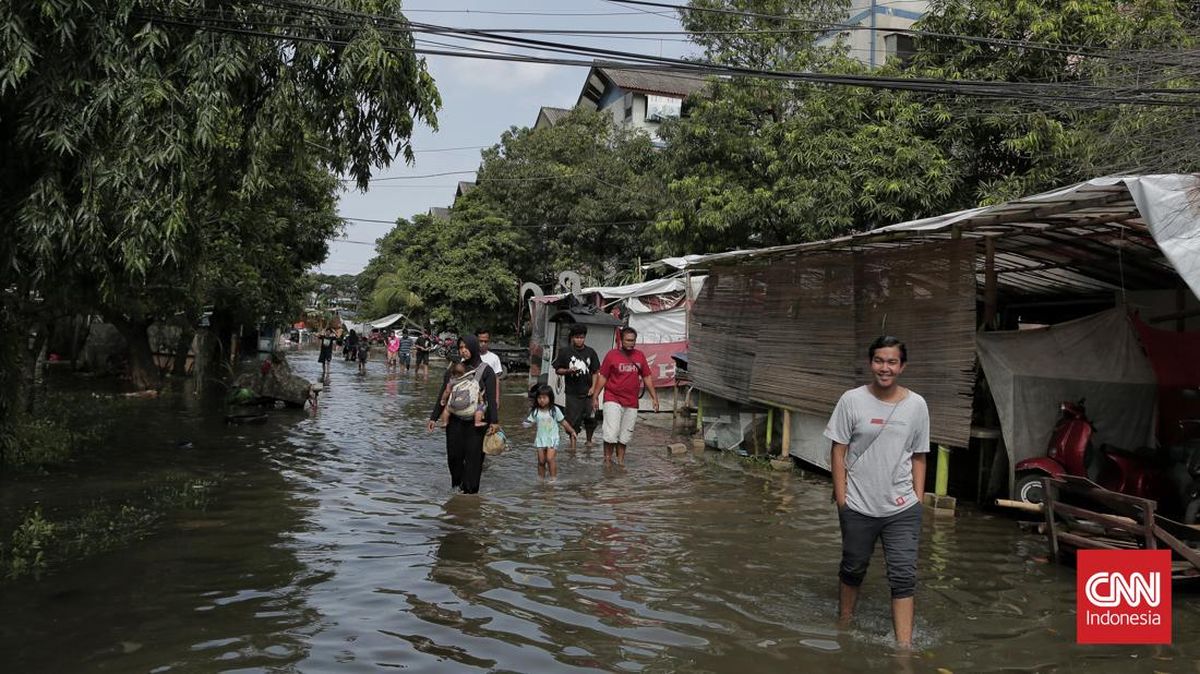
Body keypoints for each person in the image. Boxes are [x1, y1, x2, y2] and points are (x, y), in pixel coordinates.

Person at [825, 335, 930, 650]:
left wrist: (918, 500)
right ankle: (844, 625)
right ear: (871, 363)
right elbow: (838, 450)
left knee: (903, 577)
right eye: (879, 360)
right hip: (857, 505)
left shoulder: (917, 405)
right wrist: (843, 502)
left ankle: (904, 648)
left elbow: (920, 456)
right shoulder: (851, 400)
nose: (885, 368)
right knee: (853, 568)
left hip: (902, 508)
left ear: (902, 366)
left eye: (892, 362)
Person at [427, 336, 500, 494]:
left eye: (466, 347)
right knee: (454, 458)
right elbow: (443, 394)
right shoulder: (454, 369)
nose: (463, 351)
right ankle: (457, 490)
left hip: (476, 424)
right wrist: (434, 417)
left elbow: (492, 398)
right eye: (460, 348)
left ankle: (470, 494)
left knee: (474, 460)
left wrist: (494, 421)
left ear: (473, 348)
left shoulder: (486, 370)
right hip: (454, 422)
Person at [594, 326, 660, 465]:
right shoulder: (611, 355)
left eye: (633, 340)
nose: (630, 343)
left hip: (631, 401)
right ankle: (607, 461)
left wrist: (654, 397)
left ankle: (620, 462)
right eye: (628, 340)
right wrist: (595, 396)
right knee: (611, 433)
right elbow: (603, 377)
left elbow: (647, 377)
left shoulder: (640, 356)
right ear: (621, 341)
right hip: (613, 398)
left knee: (625, 436)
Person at [552, 324, 600, 448]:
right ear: (572, 338)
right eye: (577, 337)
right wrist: (568, 371)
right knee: (572, 420)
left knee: (591, 418)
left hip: (588, 392)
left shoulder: (591, 352)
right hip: (572, 392)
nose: (579, 340)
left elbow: (595, 372)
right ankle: (572, 445)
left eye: (582, 337)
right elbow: (557, 369)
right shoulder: (565, 352)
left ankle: (589, 441)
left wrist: (593, 389)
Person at [524, 384, 576, 479]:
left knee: (550, 458)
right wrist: (525, 425)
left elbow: (563, 422)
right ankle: (541, 479)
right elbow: (529, 421)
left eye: (544, 397)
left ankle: (553, 479)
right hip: (540, 439)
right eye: (539, 398)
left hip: (553, 438)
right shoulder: (535, 411)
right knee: (541, 461)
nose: (541, 400)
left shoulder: (554, 410)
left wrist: (572, 431)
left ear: (550, 398)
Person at [437, 359, 487, 428]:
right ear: (464, 371)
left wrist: (443, 400)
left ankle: (445, 422)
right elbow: (477, 392)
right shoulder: (471, 379)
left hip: (453, 408)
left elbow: (447, 391)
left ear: (453, 373)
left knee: (446, 410)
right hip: (469, 410)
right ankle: (477, 422)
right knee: (481, 408)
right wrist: (481, 401)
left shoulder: (451, 382)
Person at [475, 328, 503, 409]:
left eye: (485, 341)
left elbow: (496, 380)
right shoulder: (469, 357)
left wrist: (496, 399)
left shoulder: (494, 358)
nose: (483, 344)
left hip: (488, 396)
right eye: (480, 341)